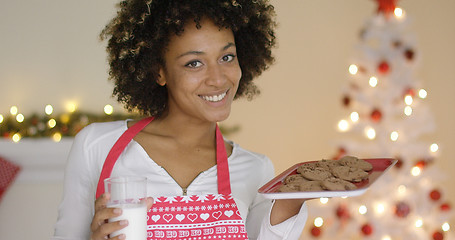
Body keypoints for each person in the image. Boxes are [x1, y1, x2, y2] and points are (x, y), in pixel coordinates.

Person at [52, 0, 308, 239]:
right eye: (194, 63)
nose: (218, 79)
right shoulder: (97, 146)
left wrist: (293, 198)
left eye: (227, 57)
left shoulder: (256, 169)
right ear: (159, 72)